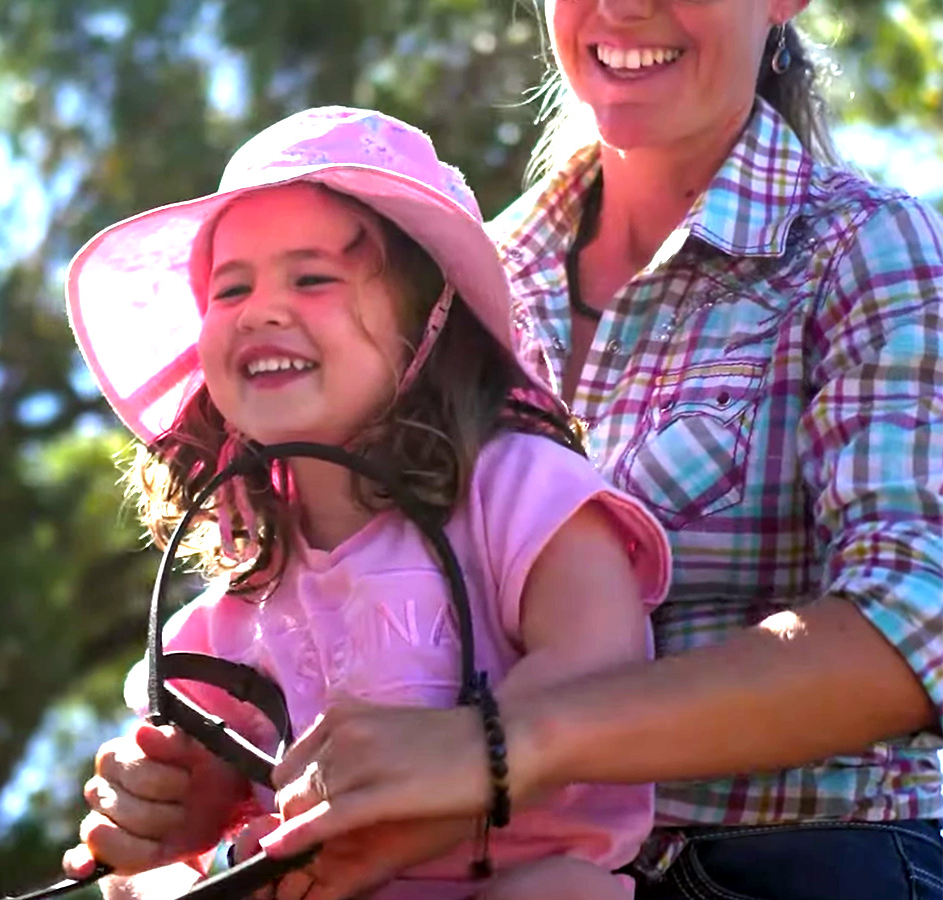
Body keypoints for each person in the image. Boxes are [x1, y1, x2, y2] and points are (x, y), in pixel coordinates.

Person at [247, 3, 943, 900]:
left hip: (805, 862)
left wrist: (508, 743)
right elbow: (351, 605)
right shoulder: (458, 292)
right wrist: (224, 779)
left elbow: (915, 623)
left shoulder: (872, 249)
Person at [59, 106, 673, 899]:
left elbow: (604, 679)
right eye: (229, 288)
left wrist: (427, 798)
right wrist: (165, 810)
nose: (259, 309)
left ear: (430, 327)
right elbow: (209, 800)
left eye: (312, 278)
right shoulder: (237, 608)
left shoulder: (522, 492)